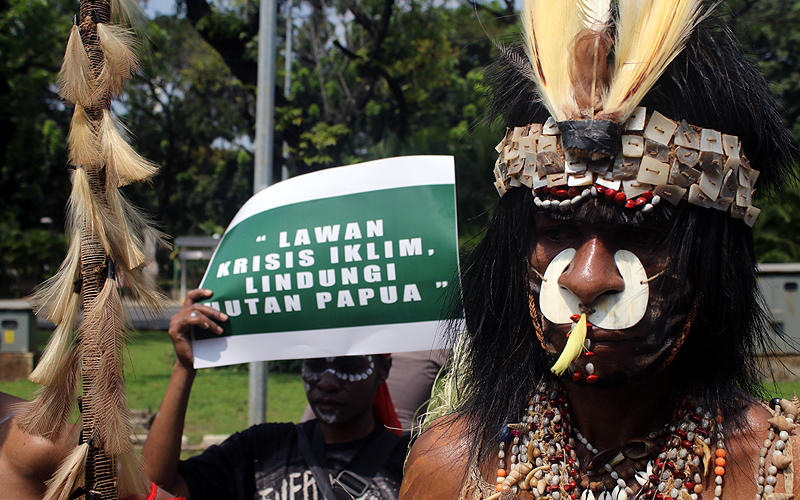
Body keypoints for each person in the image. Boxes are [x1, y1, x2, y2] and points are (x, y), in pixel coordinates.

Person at [399, 1, 799, 500]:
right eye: (558, 230)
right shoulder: (451, 467)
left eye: (641, 235)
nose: (586, 280)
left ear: (716, 264)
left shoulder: (779, 471)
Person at [141, 288, 409, 500]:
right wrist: (185, 366)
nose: (327, 383)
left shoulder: (411, 460)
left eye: (349, 366)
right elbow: (158, 487)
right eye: (314, 365)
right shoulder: (261, 449)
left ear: (383, 370)